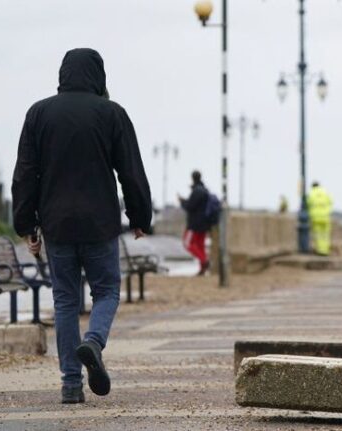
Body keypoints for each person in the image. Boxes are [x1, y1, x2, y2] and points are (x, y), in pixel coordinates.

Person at [12, 48, 152, 404]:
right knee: (106, 292)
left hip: (56, 223)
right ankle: (94, 341)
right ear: (98, 76)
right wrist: (139, 217)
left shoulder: (39, 113)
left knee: (64, 302)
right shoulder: (112, 113)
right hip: (99, 223)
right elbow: (130, 170)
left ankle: (71, 385)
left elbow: (26, 173)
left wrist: (26, 223)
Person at [178, 171, 211, 275]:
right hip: (204, 224)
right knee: (200, 246)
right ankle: (202, 269)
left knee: (187, 244)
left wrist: (182, 202)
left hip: (194, 224)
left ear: (192, 178)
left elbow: (190, 207)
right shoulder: (205, 190)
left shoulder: (197, 191)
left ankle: (204, 261)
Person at [307, 181, 332, 255]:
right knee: (325, 234)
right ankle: (325, 250)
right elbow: (330, 202)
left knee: (318, 234)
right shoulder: (325, 192)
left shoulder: (311, 193)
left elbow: (308, 204)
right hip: (325, 217)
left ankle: (320, 250)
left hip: (316, 217)